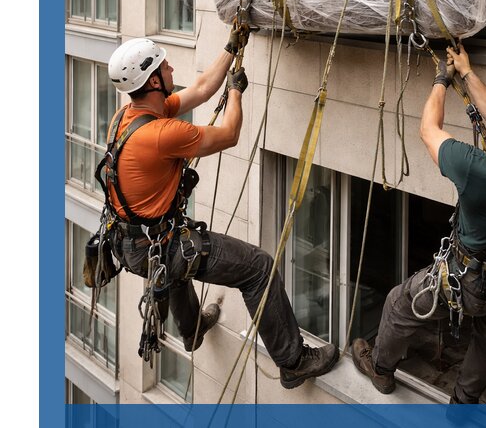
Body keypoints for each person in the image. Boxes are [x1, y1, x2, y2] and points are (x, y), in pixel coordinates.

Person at [103, 29, 338, 389]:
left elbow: (199, 90)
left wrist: (230, 47)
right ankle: (293, 361)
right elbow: (229, 134)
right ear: (153, 81)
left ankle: (192, 330)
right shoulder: (162, 134)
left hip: (133, 242)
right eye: (165, 66)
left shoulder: (129, 116)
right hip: (156, 243)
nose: (171, 67)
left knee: (174, 265)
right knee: (258, 267)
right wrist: (237, 92)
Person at [351, 41, 486, 403]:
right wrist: (466, 74)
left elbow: (428, 130)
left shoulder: (478, 169)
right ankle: (463, 404)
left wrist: (441, 80)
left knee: (399, 304)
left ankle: (382, 369)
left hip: (468, 280)